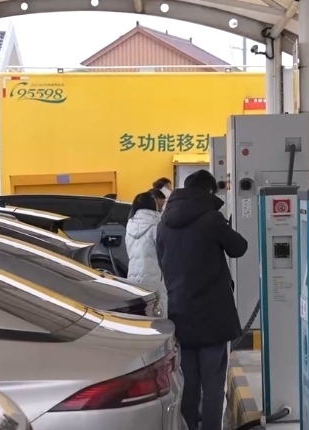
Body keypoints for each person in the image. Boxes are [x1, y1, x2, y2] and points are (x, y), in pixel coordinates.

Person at [156, 169, 247, 430]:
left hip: (180, 312)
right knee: (213, 383)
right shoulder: (211, 219)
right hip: (213, 315)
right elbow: (239, 247)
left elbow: (162, 261)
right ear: (209, 191)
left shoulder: (164, 223)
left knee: (188, 383)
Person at [125, 191, 167, 315]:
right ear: (152, 205)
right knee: (156, 310)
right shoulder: (156, 226)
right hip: (154, 277)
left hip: (133, 275)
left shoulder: (130, 224)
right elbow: (164, 251)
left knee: (139, 310)